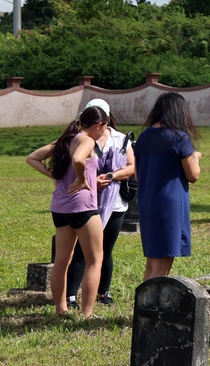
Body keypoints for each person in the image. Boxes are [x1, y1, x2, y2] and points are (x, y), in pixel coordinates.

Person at [26, 105, 108, 319]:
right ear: (97, 125)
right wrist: (81, 179)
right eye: (104, 127)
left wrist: (54, 174)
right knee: (94, 261)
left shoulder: (65, 140)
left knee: (62, 261)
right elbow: (79, 160)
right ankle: (87, 313)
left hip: (60, 208)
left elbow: (32, 158)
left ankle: (60, 308)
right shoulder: (87, 140)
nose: (104, 132)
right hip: (83, 207)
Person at [64, 98, 135, 309]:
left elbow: (132, 167)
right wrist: (92, 181)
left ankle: (103, 292)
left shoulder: (121, 139)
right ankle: (71, 296)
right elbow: (72, 167)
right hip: (87, 202)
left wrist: (112, 176)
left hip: (115, 204)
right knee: (81, 251)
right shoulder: (79, 139)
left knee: (106, 249)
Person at [134, 92, 202, 281]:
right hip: (169, 203)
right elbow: (193, 175)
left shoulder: (145, 136)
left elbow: (137, 172)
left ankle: (143, 304)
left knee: (152, 262)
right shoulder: (179, 138)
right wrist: (195, 157)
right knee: (163, 263)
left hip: (147, 200)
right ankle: (152, 306)